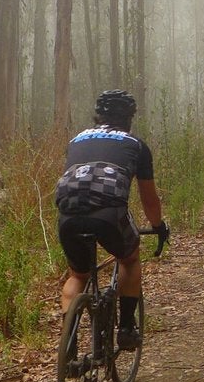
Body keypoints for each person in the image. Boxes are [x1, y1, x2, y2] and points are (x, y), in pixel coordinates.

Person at [54, 89, 167, 350]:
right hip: (108, 213)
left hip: (68, 214)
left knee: (78, 276)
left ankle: (68, 344)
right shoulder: (135, 144)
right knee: (129, 258)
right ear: (129, 118)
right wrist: (158, 227)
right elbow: (149, 199)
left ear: (97, 115)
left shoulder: (76, 141)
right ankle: (127, 328)